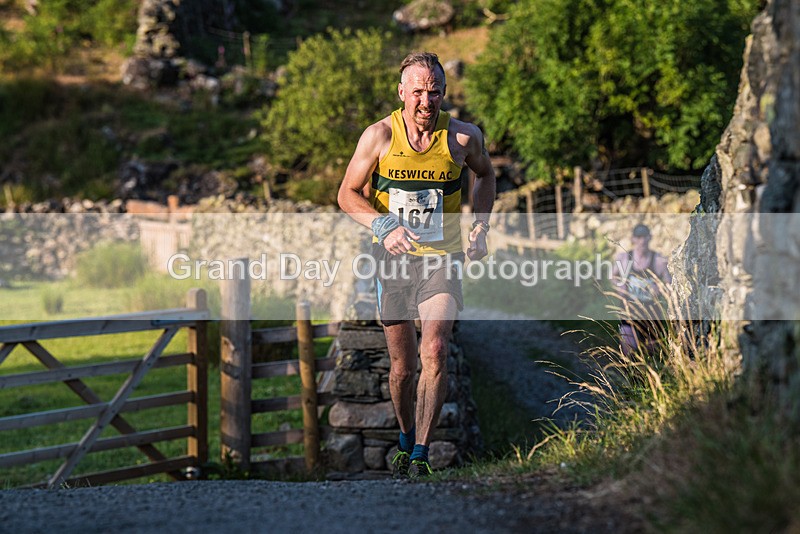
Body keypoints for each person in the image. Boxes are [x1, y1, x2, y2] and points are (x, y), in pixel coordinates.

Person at [337, 52, 495, 478]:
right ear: (403, 92)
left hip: (442, 258)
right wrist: (384, 224)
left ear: (444, 93)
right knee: (403, 369)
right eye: (419, 92)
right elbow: (347, 194)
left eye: (436, 91)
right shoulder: (379, 136)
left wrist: (479, 226)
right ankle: (406, 436)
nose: (427, 101)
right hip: (393, 261)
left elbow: (486, 175)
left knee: (437, 348)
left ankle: (422, 453)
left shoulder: (463, 138)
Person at [612, 223, 672, 355]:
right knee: (628, 346)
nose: (642, 241)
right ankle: (631, 373)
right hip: (629, 309)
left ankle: (652, 372)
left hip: (651, 311)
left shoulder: (658, 260)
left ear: (650, 238)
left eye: (644, 237)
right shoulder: (624, 258)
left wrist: (660, 288)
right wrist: (619, 286)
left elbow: (669, 283)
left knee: (653, 350)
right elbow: (613, 276)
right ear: (633, 239)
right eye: (638, 237)